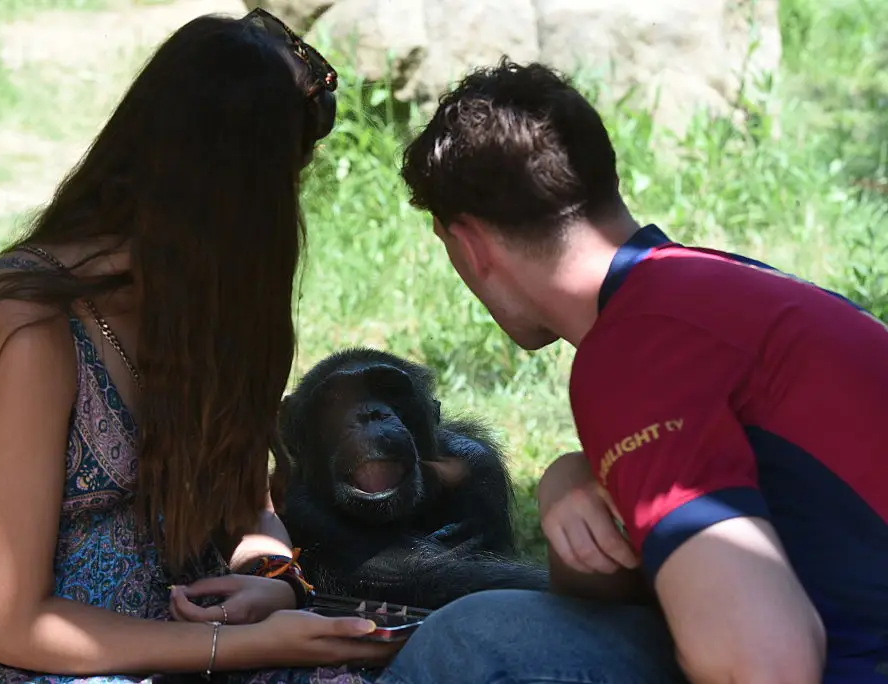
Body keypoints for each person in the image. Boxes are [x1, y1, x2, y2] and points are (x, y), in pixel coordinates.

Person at [0, 9, 401, 683]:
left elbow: (244, 495)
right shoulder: (28, 330)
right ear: (233, 202)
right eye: (281, 190)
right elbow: (15, 626)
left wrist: (273, 576)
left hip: (192, 642)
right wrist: (251, 648)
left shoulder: (200, 308)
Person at [377, 59, 888, 684]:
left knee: (466, 645)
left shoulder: (634, 355)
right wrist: (570, 477)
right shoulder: (708, 286)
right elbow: (636, 583)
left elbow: (765, 663)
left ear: (472, 245)